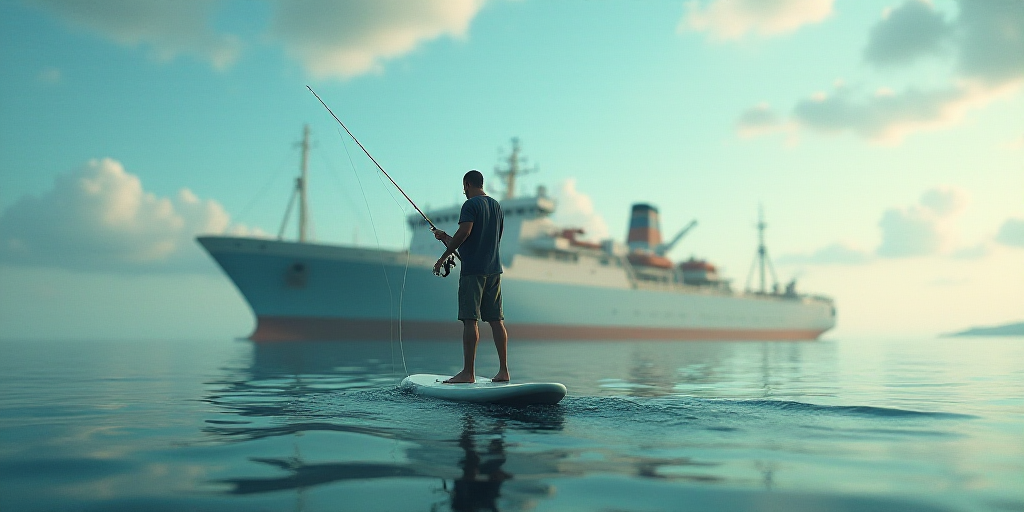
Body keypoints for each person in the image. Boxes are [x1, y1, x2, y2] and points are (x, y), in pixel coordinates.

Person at [433, 170, 509, 384]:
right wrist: (444, 237)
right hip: (494, 269)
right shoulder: (496, 206)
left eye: (464, 187)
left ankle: (468, 373)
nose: (464, 192)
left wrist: (443, 257)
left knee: (470, 320)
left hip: (473, 271)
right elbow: (489, 238)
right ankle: (504, 371)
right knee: (496, 321)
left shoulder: (470, 205)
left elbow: (465, 232)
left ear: (467, 184)